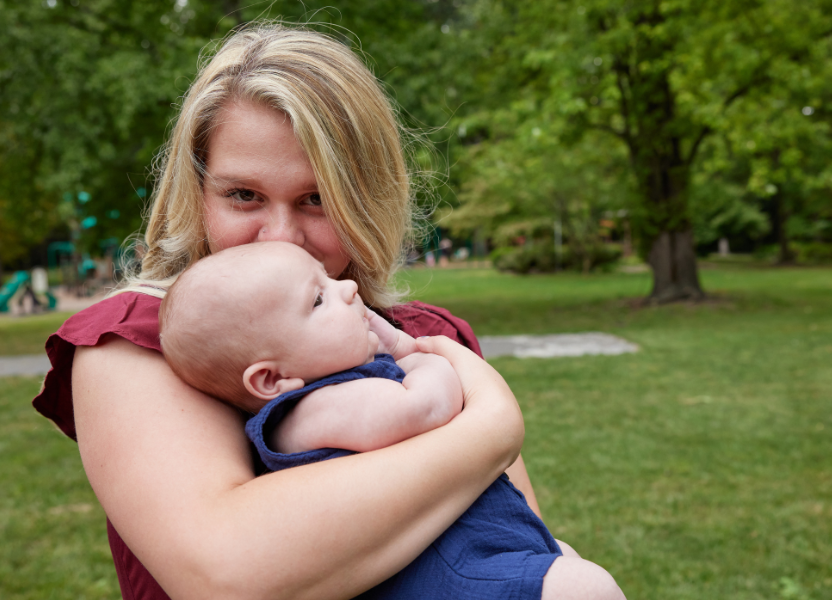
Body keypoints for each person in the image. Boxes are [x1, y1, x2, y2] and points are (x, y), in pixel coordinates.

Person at [32, 24, 624, 599]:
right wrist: (493, 424)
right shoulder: (137, 340)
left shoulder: (423, 333)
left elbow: (520, 546)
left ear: (366, 197)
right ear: (199, 192)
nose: (280, 237)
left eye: (316, 198)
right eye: (243, 195)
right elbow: (225, 574)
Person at [157, 241, 624, 599]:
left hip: (478, 549)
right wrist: (420, 356)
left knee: (571, 564)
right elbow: (425, 408)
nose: (347, 289)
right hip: (447, 573)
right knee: (588, 588)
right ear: (272, 379)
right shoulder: (313, 409)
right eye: (317, 299)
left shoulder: (339, 386)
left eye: (327, 277)